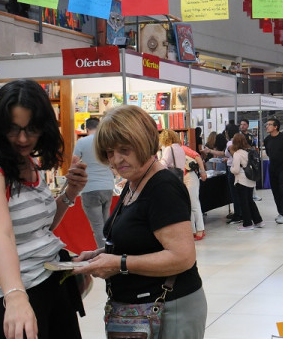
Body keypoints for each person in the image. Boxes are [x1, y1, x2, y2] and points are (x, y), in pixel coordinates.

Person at [0, 79, 88, 338]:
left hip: (49, 284)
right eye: (13, 129)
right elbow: (1, 236)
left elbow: (40, 228)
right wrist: (14, 296)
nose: (22, 139)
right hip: (9, 295)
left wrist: (69, 193)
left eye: (31, 129)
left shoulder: (28, 163)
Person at [74, 105, 206, 338]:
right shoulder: (134, 181)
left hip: (169, 310)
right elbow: (143, 240)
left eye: (124, 149)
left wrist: (119, 263)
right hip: (140, 312)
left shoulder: (161, 187)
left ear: (143, 142)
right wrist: (102, 255)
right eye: (109, 152)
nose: (116, 159)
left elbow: (183, 256)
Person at [73, 117, 115, 248]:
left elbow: (74, 163)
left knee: (97, 226)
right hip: (108, 186)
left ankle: (104, 254)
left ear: (86, 129)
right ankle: (111, 251)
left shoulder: (82, 142)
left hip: (90, 186)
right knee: (106, 223)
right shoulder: (106, 141)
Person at [229, 133, 264, 231]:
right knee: (250, 201)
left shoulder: (237, 154)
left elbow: (235, 170)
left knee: (243, 202)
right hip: (251, 178)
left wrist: (231, 169)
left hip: (241, 180)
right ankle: (258, 221)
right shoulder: (249, 151)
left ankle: (247, 223)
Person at [264, 118, 283, 224]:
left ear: (276, 127)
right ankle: (280, 212)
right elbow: (268, 153)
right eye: (267, 124)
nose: (267, 126)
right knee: (275, 191)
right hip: (272, 167)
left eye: (269, 124)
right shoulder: (267, 139)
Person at [183, 144, 208, 240]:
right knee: (190, 204)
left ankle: (200, 229)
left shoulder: (182, 148)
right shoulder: (175, 149)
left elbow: (197, 156)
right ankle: (193, 230)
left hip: (189, 176)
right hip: (184, 177)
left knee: (194, 203)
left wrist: (202, 171)